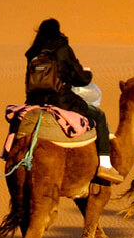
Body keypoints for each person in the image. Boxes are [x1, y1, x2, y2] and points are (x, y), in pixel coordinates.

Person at [23, 18, 122, 183]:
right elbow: (80, 79)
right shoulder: (62, 49)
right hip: (61, 100)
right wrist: (87, 74)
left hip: (33, 102)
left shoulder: (32, 52)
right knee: (99, 116)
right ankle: (105, 165)